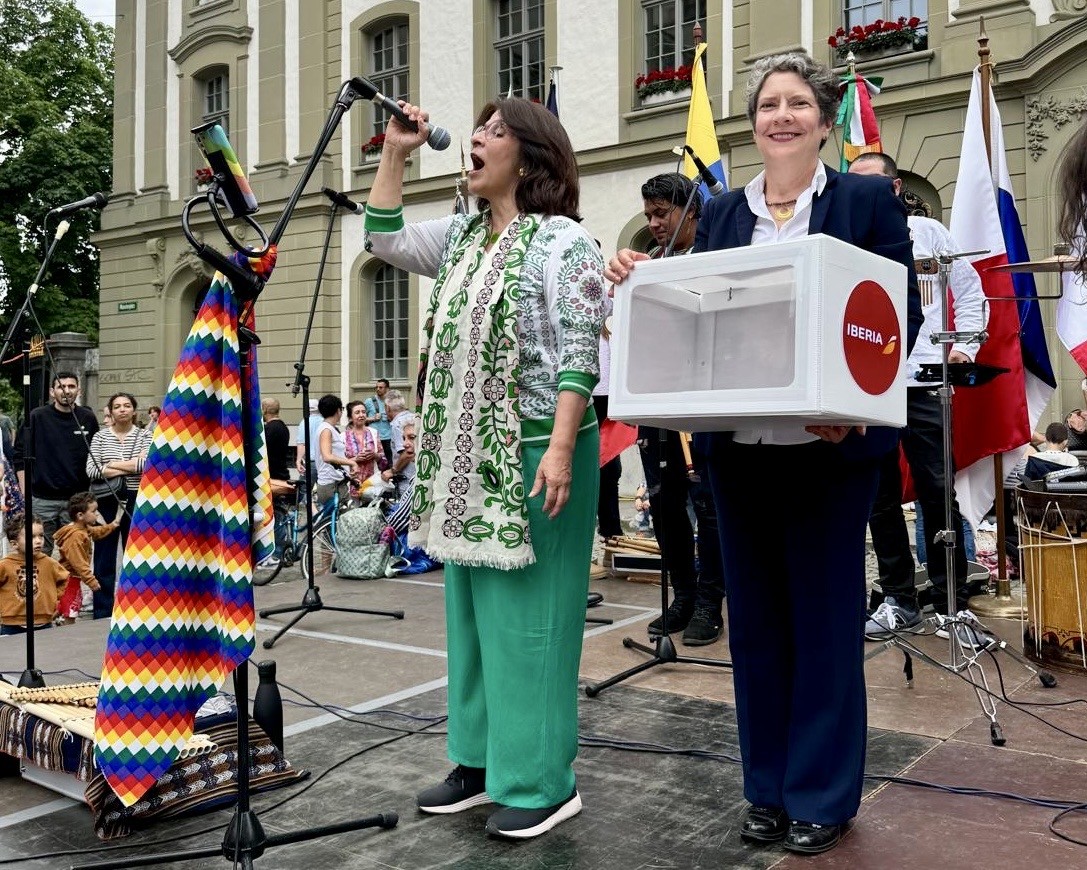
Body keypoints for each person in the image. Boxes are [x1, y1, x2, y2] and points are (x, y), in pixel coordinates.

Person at [607, 52, 922, 855]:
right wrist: (643, 275)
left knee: (821, 624)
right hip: (739, 454)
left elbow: (895, 314)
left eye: (794, 104)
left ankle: (820, 794)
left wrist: (854, 406)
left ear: (822, 119)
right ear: (754, 125)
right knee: (755, 627)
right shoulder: (719, 214)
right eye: (766, 106)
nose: (779, 116)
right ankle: (767, 790)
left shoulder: (862, 199)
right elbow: (702, 307)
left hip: (829, 452)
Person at [365, 95, 605, 839]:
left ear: (530, 158)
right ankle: (477, 762)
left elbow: (578, 351)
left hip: (537, 445)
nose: (474, 138)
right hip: (466, 450)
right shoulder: (465, 236)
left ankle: (539, 781)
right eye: (477, 127)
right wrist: (396, 154)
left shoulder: (563, 242)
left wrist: (562, 448)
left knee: (529, 620)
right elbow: (385, 241)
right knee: (469, 616)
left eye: (495, 132)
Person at [848, 152, 988, 636]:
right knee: (879, 497)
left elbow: (970, 293)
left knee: (936, 490)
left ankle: (952, 603)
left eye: (868, 185)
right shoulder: (846, 238)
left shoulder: (930, 234)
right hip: (870, 384)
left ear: (893, 188)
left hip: (926, 379)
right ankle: (899, 600)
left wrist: (965, 346)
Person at [631, 172, 725, 646]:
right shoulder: (648, 263)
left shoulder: (715, 256)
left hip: (704, 399)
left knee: (707, 504)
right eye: (649, 215)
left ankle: (711, 600)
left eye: (662, 213)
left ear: (691, 209)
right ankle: (683, 595)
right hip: (656, 398)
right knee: (663, 499)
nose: (654, 224)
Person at [13, 371, 99, 555]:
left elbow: (97, 455)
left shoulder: (87, 418)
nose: (66, 391)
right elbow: (20, 455)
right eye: (61, 386)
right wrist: (25, 490)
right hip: (42, 499)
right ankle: (41, 585)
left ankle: (70, 586)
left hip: (77, 501)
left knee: (77, 555)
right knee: (39, 554)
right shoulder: (37, 416)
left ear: (79, 391)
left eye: (71, 386)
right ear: (52, 392)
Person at [85, 392, 152, 619]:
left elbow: (148, 465)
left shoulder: (145, 436)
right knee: (104, 557)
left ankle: (136, 609)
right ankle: (103, 610)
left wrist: (110, 464)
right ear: (110, 412)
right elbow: (92, 470)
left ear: (134, 411)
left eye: (126, 405)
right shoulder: (100, 438)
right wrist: (131, 465)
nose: (122, 409)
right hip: (106, 500)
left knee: (137, 555)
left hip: (137, 498)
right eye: (117, 406)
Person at [54, 492, 118, 622]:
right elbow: (79, 563)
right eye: (94, 511)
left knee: (64, 608)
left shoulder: (82, 528)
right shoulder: (76, 536)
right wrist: (91, 581)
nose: (97, 514)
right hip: (69, 580)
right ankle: (67, 634)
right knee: (71, 613)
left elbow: (96, 532)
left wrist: (112, 526)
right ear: (80, 515)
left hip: (72, 579)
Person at [0, 515, 70, 634]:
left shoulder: (49, 563)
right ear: (14, 544)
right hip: (11, 625)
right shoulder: (5, 565)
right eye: (31, 537)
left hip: (44, 623)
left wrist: (53, 598)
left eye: (41, 536)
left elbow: (64, 578)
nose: (38, 541)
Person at [262, 398, 293, 561]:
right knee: (280, 514)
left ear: (265, 410)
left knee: (275, 517)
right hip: (282, 474)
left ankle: (277, 553)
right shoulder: (283, 427)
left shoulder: (268, 429)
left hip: (272, 477)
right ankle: (284, 551)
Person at [312, 393, 355, 508]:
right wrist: (351, 462)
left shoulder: (328, 428)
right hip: (331, 485)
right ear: (338, 410)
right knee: (341, 522)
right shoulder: (326, 429)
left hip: (335, 483)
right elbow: (327, 456)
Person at [344, 399, 385, 494]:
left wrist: (375, 455)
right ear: (350, 417)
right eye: (357, 413)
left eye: (363, 412)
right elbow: (339, 463)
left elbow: (383, 460)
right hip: (352, 482)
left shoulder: (374, 433)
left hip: (372, 483)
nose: (361, 415)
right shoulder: (343, 437)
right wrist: (356, 459)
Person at [365, 378, 394, 465]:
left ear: (387, 389)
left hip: (388, 437)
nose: (378, 389)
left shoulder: (392, 401)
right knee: (375, 462)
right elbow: (360, 419)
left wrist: (390, 417)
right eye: (377, 387)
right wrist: (373, 418)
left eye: (381, 387)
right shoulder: (369, 401)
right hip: (374, 437)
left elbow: (397, 419)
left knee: (389, 462)